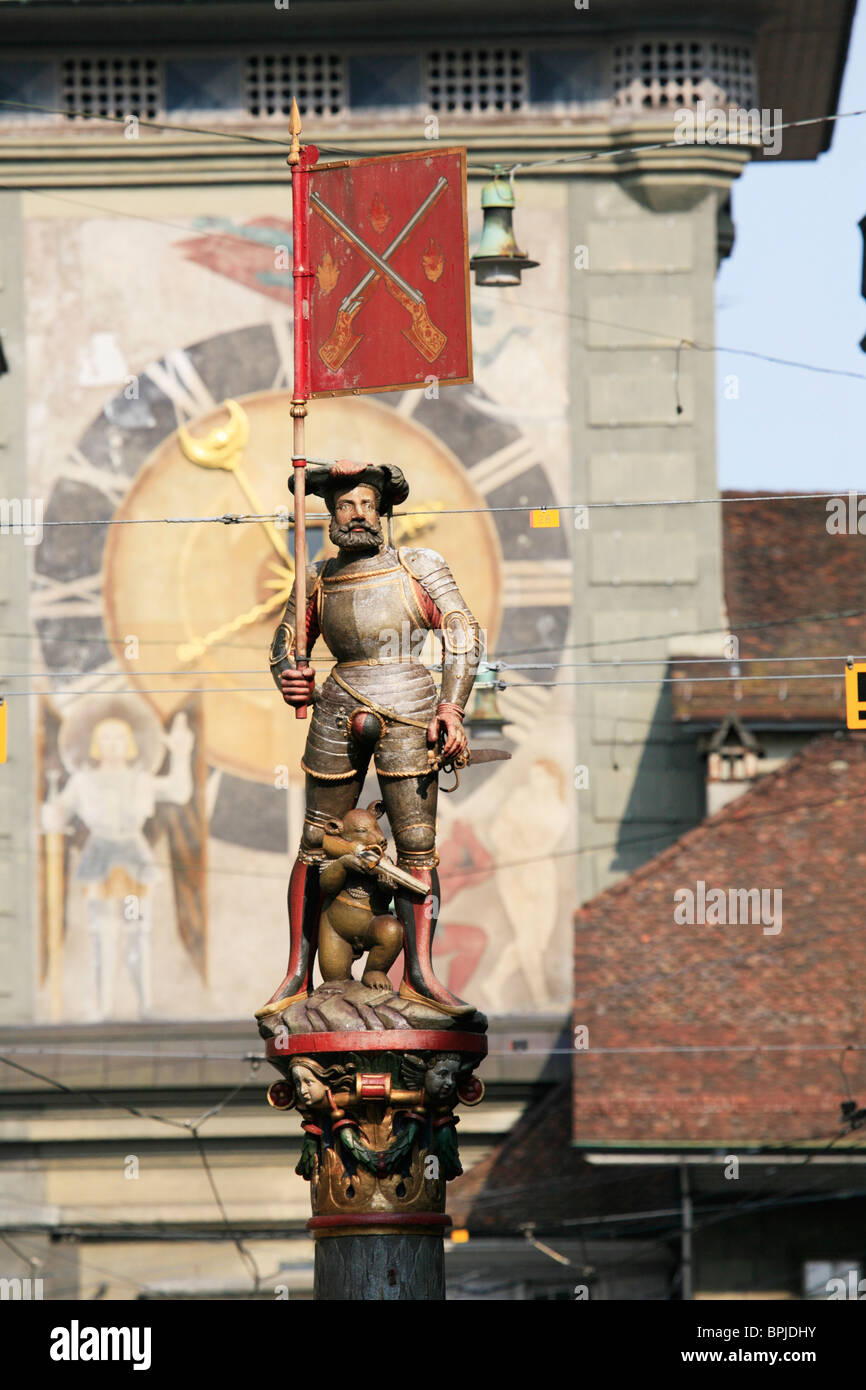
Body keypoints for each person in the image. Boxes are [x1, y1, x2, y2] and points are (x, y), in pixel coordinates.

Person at [256, 460, 482, 1022]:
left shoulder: (417, 566)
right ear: (330, 515)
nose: (355, 514)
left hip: (409, 700)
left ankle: (422, 975)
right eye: (343, 505)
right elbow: (285, 645)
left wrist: (452, 707)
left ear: (381, 511)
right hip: (337, 703)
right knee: (315, 841)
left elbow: (462, 631)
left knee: (416, 848)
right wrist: (290, 675)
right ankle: (298, 969)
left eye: (365, 504)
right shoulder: (316, 577)